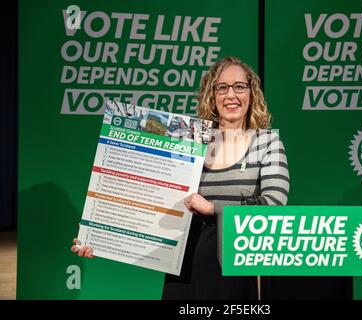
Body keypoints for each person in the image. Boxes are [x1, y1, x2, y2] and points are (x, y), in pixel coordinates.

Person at [72, 56, 290, 300]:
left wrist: (211, 208)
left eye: (239, 86)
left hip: (232, 272)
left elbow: (274, 206)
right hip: (184, 270)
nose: (231, 95)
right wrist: (101, 238)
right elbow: (147, 194)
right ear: (212, 94)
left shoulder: (266, 142)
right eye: (222, 87)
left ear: (251, 93)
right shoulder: (189, 139)